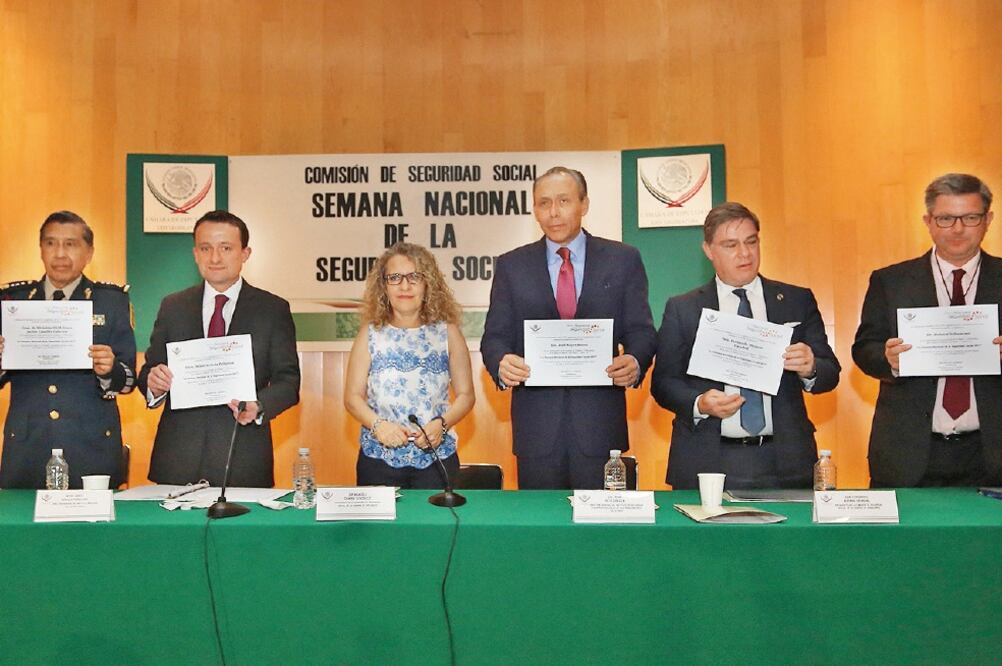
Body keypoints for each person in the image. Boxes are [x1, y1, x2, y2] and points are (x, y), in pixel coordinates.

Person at [481, 166, 657, 489]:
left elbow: (642, 332)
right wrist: (501, 362)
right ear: (534, 209)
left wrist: (634, 362)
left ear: (584, 204)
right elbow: (493, 338)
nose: (554, 212)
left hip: (600, 425)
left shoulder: (623, 260)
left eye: (563, 201)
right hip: (536, 430)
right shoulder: (511, 266)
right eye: (544, 203)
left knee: (601, 535)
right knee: (541, 532)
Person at [651, 202, 840, 490]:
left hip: (785, 459)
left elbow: (830, 373)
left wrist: (811, 367)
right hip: (707, 459)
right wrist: (700, 403)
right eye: (730, 245)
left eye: (751, 242)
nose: (745, 253)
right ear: (709, 250)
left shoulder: (795, 300)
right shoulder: (684, 308)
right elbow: (663, 383)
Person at [853, 173, 1002, 487]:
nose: (958, 228)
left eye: (970, 217)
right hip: (907, 452)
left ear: (988, 219)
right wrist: (887, 358)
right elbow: (864, 348)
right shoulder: (890, 281)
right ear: (929, 221)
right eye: (946, 218)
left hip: (991, 451)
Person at [137, 210, 300, 487]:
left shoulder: (272, 309)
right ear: (195, 254)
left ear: (245, 253)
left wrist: (259, 406)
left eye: (225, 248)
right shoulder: (173, 306)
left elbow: (288, 381)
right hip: (178, 458)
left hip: (243, 457)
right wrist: (154, 383)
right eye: (205, 248)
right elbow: (149, 371)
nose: (214, 258)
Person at [0, 211, 136, 489]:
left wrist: (109, 370)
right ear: (41, 250)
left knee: (93, 532)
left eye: (71, 244)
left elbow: (129, 379)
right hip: (28, 447)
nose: (60, 253)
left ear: (89, 252)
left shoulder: (111, 302)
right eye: (51, 243)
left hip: (90, 445)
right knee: (22, 531)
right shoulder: (13, 301)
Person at [344, 242, 474, 488]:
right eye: (395, 277)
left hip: (436, 461)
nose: (405, 286)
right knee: (379, 529)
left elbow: (467, 395)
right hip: (378, 460)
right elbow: (352, 397)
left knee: (436, 528)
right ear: (384, 285)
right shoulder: (370, 333)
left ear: (428, 284)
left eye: (414, 276)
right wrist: (378, 425)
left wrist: (442, 424)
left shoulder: (448, 332)